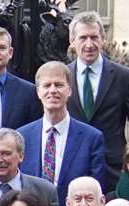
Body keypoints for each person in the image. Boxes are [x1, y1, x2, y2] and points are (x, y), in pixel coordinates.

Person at [65, 13, 129, 185]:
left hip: (113, 170)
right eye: (82, 38)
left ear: (103, 39)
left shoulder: (123, 77)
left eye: (94, 37)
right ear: (72, 41)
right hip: (71, 166)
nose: (89, 44)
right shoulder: (62, 77)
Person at [18, 61, 107, 196]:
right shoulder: (21, 136)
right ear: (38, 91)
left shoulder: (91, 138)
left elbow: (95, 190)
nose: (53, 90)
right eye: (47, 85)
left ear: (70, 90)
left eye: (59, 85)